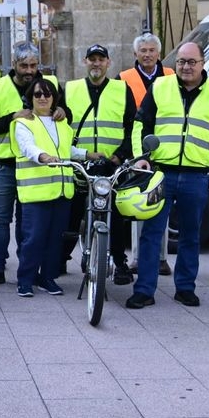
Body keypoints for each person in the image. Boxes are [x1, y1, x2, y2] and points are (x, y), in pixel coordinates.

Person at [129, 41, 209, 308]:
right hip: (160, 173)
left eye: (191, 62)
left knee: (191, 235)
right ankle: (144, 290)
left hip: (196, 176)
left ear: (202, 63)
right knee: (151, 233)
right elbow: (141, 124)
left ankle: (185, 288)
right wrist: (142, 158)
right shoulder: (160, 86)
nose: (186, 67)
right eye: (181, 62)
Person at [0, 41, 61, 287]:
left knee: (29, 222)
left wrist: (62, 111)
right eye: (24, 66)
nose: (29, 71)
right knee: (0, 219)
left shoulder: (50, 84)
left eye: (33, 65)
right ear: (14, 64)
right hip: (5, 163)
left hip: (36, 166)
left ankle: (28, 270)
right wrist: (12, 117)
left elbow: (65, 113)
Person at [63, 44, 137, 284]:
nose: (96, 63)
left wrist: (119, 156)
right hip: (79, 163)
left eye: (101, 59)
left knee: (114, 214)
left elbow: (132, 127)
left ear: (108, 62)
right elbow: (61, 127)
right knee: (72, 214)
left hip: (112, 165)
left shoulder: (121, 89)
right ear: (85, 61)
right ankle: (60, 259)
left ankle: (119, 262)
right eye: (92, 59)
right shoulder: (71, 88)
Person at [13, 78, 90, 297]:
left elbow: (66, 150)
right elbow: (27, 147)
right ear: (30, 98)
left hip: (61, 192)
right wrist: (44, 157)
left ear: (54, 98)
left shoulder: (62, 123)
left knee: (55, 239)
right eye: (37, 94)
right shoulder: (24, 122)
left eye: (47, 94)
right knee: (33, 238)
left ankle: (48, 278)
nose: (42, 98)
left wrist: (88, 154)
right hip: (36, 193)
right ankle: (25, 280)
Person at [117, 32, 174, 108]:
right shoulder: (123, 78)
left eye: (152, 50)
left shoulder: (171, 75)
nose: (147, 55)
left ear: (158, 54)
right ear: (135, 55)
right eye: (143, 50)